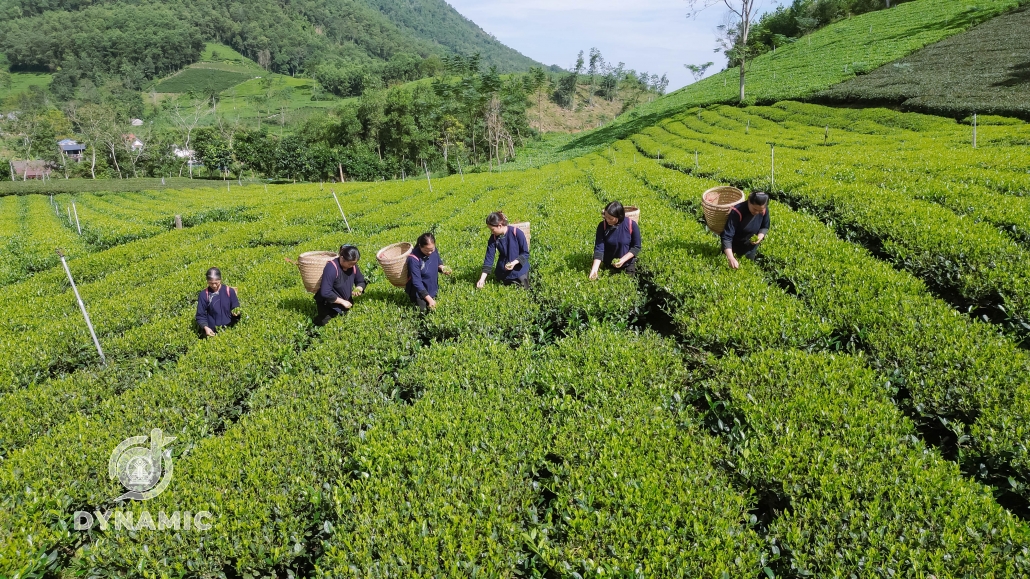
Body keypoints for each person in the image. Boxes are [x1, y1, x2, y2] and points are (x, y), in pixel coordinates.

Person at [314, 244, 367, 326]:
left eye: (354, 264)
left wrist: (359, 288)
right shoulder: (331, 268)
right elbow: (325, 292)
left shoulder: (353, 266)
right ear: (342, 258)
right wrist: (342, 302)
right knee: (325, 324)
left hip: (345, 302)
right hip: (328, 304)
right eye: (349, 264)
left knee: (343, 324)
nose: (352, 266)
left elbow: (360, 280)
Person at [477, 211, 530, 289]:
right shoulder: (493, 238)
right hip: (503, 271)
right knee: (502, 286)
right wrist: (482, 279)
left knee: (525, 287)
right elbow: (489, 258)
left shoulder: (517, 233)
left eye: (492, 229)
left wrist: (514, 263)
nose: (492, 232)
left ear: (499, 226)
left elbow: (525, 253)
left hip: (519, 269)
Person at [589, 201, 641, 280]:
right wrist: (594, 270)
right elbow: (599, 249)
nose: (607, 220)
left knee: (627, 284)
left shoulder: (631, 225)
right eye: (606, 216)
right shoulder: (602, 226)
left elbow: (636, 247)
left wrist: (622, 260)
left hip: (627, 265)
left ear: (619, 216)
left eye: (610, 218)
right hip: (609, 265)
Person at [722, 191, 770, 269]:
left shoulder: (764, 209)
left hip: (751, 248)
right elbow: (727, 236)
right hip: (733, 247)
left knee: (748, 267)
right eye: (754, 209)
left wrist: (759, 237)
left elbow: (765, 226)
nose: (757, 212)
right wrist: (731, 258)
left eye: (760, 211)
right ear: (749, 201)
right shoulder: (737, 211)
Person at [406, 232, 451, 311]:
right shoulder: (413, 259)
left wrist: (443, 268)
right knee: (423, 313)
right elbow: (416, 282)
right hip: (419, 293)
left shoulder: (434, 250)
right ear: (420, 246)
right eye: (426, 250)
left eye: (432, 250)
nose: (430, 252)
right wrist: (429, 300)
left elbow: (438, 263)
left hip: (432, 288)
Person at [195, 267, 240, 337]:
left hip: (229, 330)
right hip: (212, 332)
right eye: (211, 283)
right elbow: (200, 315)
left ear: (220, 279)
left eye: (216, 283)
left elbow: (236, 307)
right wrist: (205, 327)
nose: (214, 285)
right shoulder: (204, 294)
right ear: (207, 281)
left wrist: (237, 313)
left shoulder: (229, 291)